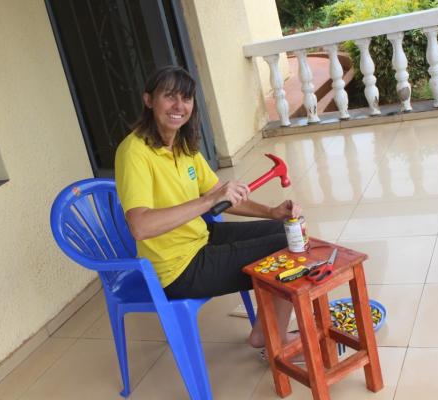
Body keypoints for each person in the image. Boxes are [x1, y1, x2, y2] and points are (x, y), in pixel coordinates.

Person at [115, 65, 301, 349]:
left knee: (287, 228)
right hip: (176, 268)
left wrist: (271, 212)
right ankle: (269, 336)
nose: (179, 106)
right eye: (170, 96)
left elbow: (218, 194)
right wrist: (207, 201)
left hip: (200, 239)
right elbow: (140, 227)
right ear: (149, 100)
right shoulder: (134, 152)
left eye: (186, 98)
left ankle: (268, 325)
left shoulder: (182, 146)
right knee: (285, 248)